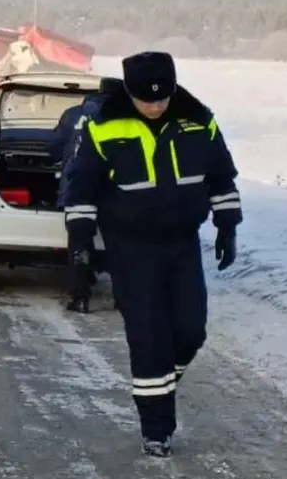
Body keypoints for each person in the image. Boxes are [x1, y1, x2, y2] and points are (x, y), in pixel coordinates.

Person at [59, 51, 241, 458]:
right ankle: (157, 428)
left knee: (191, 330)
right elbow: (81, 189)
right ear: (130, 93)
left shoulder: (198, 120)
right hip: (131, 246)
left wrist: (228, 225)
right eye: (146, 100)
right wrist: (81, 248)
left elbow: (221, 175)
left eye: (162, 98)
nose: (156, 106)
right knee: (148, 336)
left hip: (182, 242)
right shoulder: (104, 126)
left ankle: (161, 382)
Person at [52, 76, 123, 312]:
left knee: (79, 245)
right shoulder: (127, 117)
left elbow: (54, 147)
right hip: (113, 194)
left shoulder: (74, 114)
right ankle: (123, 299)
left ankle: (80, 298)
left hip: (78, 190)